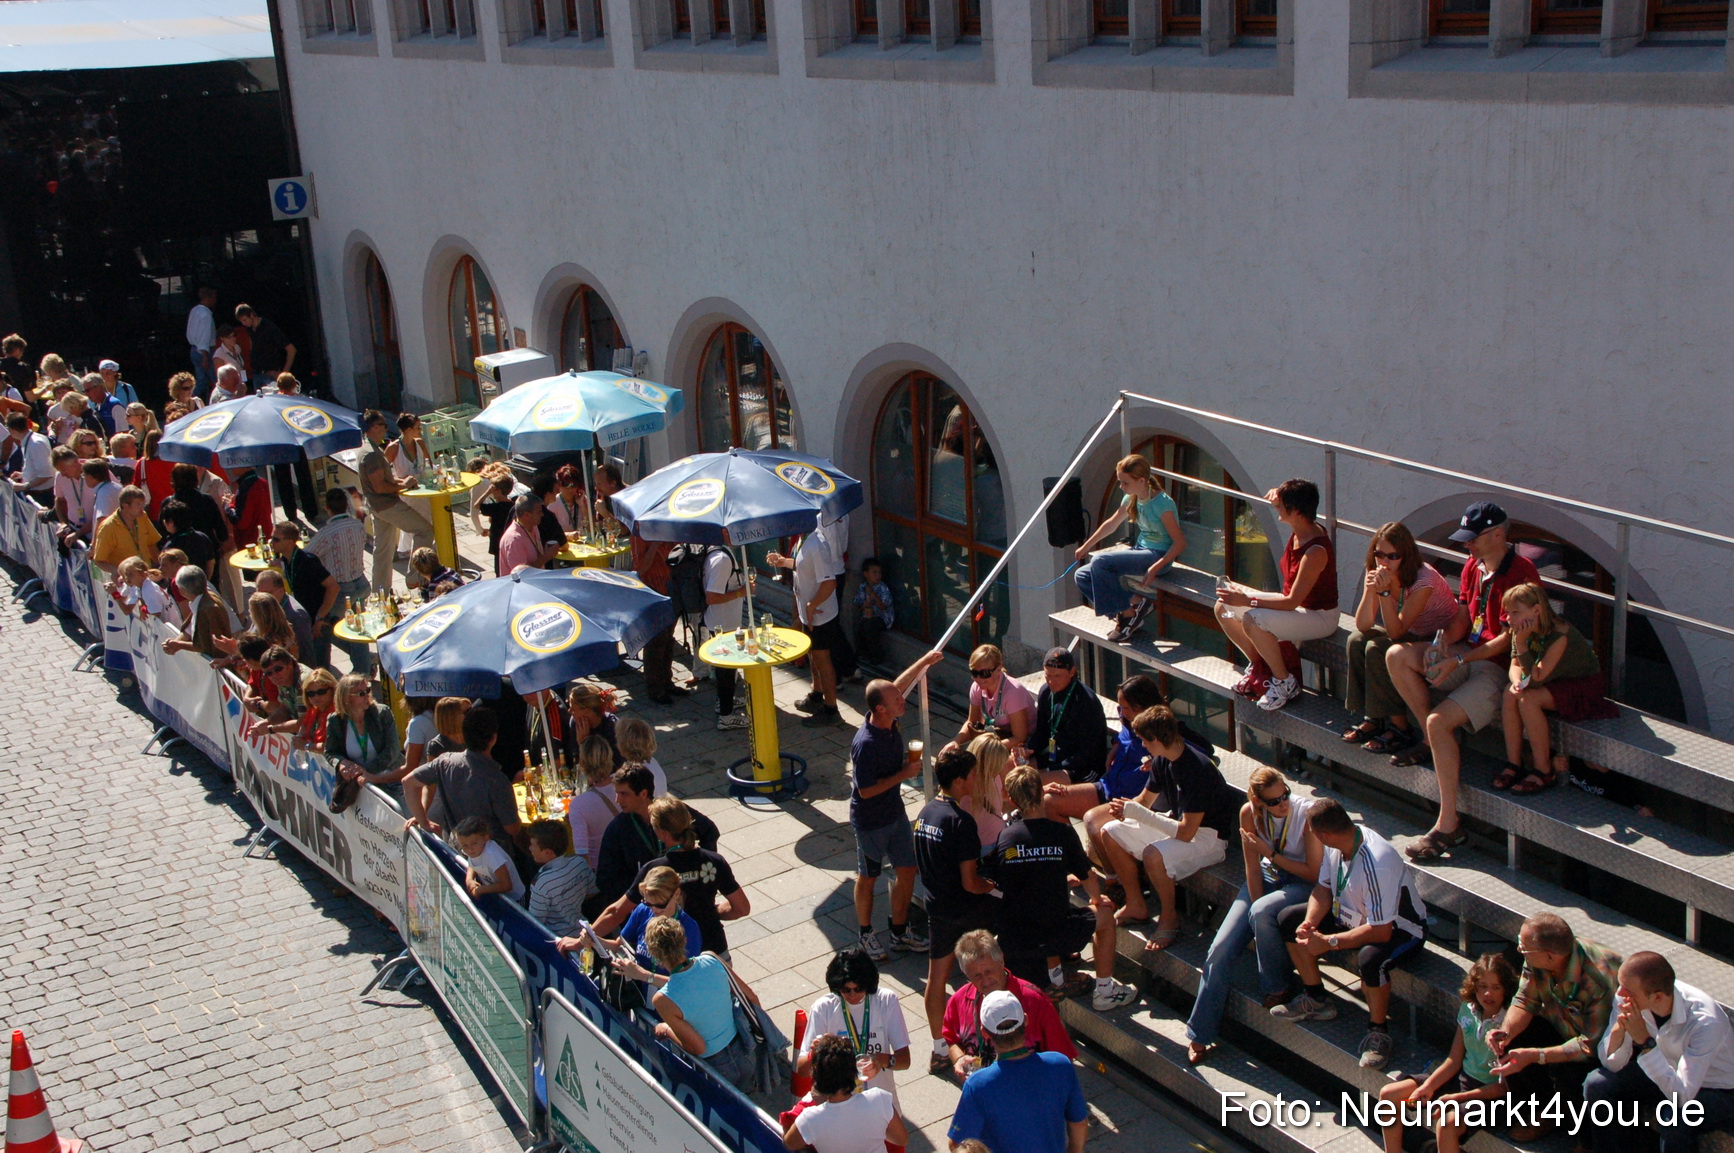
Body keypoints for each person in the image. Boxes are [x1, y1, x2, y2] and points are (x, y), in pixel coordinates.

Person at [1388, 502, 1541, 861]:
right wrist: (1441, 646)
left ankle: (1448, 824)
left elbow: (1508, 640)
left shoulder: (1522, 571)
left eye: (1473, 539)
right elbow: (1464, 614)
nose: (1466, 546)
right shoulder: (1474, 564)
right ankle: (1432, 741)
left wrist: (1456, 658)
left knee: (1439, 721)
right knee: (1397, 656)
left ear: (1498, 535)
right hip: (1467, 654)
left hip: (1499, 667)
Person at [1271, 799, 1427, 1072]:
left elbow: (1380, 931)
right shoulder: (1338, 844)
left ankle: (1379, 1033)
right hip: (1352, 915)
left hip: (1401, 929)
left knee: (1370, 960)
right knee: (1288, 919)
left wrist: (1329, 943)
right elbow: (1322, 889)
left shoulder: (1377, 862)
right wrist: (1309, 923)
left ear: (1324, 835)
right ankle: (1316, 998)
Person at [1184, 767, 1322, 1066]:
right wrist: (1256, 908)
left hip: (1301, 882)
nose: (1282, 804)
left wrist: (1270, 856)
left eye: (1285, 795)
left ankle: (1277, 986)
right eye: (1273, 801)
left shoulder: (1305, 815)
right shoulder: (1249, 813)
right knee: (1218, 950)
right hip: (1267, 877)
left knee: (1262, 912)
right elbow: (1252, 868)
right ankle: (1199, 1032)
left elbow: (1313, 872)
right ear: (1259, 801)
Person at [982, 766, 1141, 1012]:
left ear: (1013, 800)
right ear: (1041, 794)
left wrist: (1057, 879)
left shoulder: (1006, 838)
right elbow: (1087, 876)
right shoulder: (1062, 832)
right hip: (1055, 932)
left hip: (1016, 935)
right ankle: (1105, 992)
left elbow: (1010, 879)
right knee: (1105, 916)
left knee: (1040, 906)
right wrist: (1098, 900)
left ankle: (1054, 978)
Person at [1097, 705, 1242, 946]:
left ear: (1156, 739)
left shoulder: (1198, 770)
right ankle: (1136, 903)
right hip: (1179, 824)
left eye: (1144, 740)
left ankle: (1169, 918)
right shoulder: (1162, 761)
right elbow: (1144, 801)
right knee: (1109, 832)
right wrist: (1122, 810)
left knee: (1153, 854)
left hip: (1208, 838)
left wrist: (1137, 813)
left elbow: (1186, 833)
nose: (1142, 745)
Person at [1487, 912, 1620, 1140]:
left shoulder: (1598, 977)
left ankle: (1585, 1141)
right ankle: (1540, 1113)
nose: (1519, 950)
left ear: (1550, 956)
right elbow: (1524, 1000)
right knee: (1515, 1039)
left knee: (1577, 1073)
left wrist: (1537, 1055)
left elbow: (1590, 1045)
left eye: (1524, 947)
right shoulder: (1537, 959)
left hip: (1605, 1047)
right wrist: (1505, 1032)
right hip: (1566, 1027)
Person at [850, 652, 946, 962]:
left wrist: (924, 662)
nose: (903, 700)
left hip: (894, 814)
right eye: (896, 699)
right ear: (881, 708)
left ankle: (899, 931)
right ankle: (866, 934)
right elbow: (864, 791)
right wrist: (904, 775)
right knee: (869, 877)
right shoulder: (866, 744)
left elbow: (897, 685)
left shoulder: (888, 715)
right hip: (870, 821)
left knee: (907, 870)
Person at [1587, 951, 1734, 1153]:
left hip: (1715, 1088)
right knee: (1598, 1084)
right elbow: (1611, 1063)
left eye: (1628, 990)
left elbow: (1682, 1097)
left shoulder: (1706, 1022)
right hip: (1665, 1070)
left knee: (1676, 1119)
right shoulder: (1627, 997)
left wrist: (1645, 1043)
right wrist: (1618, 1031)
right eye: (1620, 985)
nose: (1620, 994)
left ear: (1657, 997)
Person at [1215, 478, 1339, 712]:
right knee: (1223, 607)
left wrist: (1248, 601)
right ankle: (1259, 666)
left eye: (1281, 505)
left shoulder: (1315, 551)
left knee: (1252, 618)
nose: (1276, 508)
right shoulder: (1300, 528)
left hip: (1319, 616)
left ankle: (1284, 682)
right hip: (1297, 605)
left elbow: (1291, 601)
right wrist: (1278, 492)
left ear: (1296, 511)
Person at [914, 749, 1002, 1073]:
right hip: (966, 913)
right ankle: (987, 1042)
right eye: (974, 775)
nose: (977, 780)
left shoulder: (925, 814)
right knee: (985, 971)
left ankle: (939, 1048)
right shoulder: (961, 821)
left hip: (936, 908)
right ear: (961, 779)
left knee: (936, 979)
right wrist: (990, 885)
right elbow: (970, 882)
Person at [1341, 522, 1461, 756]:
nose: (1384, 562)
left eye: (1392, 556)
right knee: (1356, 640)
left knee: (1377, 648)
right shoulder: (1376, 570)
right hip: (1410, 632)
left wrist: (1384, 593)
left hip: (1436, 638)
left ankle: (1400, 727)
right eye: (1379, 555)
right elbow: (1363, 624)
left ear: (1406, 556)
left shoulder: (1423, 580)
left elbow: (1396, 632)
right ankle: (1373, 717)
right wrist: (1371, 589)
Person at [1376, 953, 1517, 1153]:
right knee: (1388, 1094)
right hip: (1461, 1079)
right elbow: (1454, 1059)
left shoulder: (1508, 1025)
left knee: (1446, 1123)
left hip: (1488, 1095)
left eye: (1496, 987)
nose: (1488, 994)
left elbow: (1502, 1089)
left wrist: (1455, 1098)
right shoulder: (1468, 1010)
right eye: (1483, 987)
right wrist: (1428, 1087)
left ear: (1506, 990)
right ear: (1474, 986)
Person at [1497, 582, 1618, 794]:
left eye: (1516, 612)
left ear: (1536, 610)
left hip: (1581, 685)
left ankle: (1543, 769)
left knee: (1528, 699)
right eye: (1508, 612)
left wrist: (1523, 644)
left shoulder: (1559, 635)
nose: (1509, 618)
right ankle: (1514, 763)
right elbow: (1515, 665)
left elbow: (1536, 679)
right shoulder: (1521, 631)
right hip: (1551, 681)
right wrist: (1516, 682)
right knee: (1510, 694)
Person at [593, 796, 748, 957]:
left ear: (661, 832)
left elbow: (617, 912)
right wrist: (712, 912)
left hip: (673, 959)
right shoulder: (714, 861)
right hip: (715, 953)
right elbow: (742, 908)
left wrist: (584, 938)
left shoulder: (655, 870)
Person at [947, 990, 1088, 1153]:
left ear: (985, 1032)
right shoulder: (1059, 1064)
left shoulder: (977, 1085)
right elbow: (1079, 1123)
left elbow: (957, 1144)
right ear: (1026, 1020)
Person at [1073, 453, 1187, 643]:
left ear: (1141, 480)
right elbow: (1112, 523)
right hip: (1141, 551)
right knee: (1082, 575)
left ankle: (1127, 614)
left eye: (1125, 483)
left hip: (1159, 556)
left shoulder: (1162, 504)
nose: (1121, 487)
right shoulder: (1130, 498)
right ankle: (1134, 604)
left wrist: (1156, 567)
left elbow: (1180, 542)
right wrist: (1086, 546)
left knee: (1100, 562)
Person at [942, 931, 1078, 1082]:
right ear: (966, 974)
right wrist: (959, 1058)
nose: (986, 981)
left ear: (1001, 961)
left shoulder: (1034, 1000)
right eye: (977, 976)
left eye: (989, 971)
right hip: (985, 1095)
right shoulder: (959, 1000)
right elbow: (951, 1038)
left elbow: (1062, 1059)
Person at [797, 950, 913, 1109]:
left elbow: (904, 1061)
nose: (852, 995)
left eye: (858, 989)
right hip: (838, 1108)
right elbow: (802, 1070)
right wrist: (815, 1053)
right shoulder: (823, 1008)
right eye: (846, 990)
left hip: (879, 1105)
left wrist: (881, 1060)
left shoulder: (886, 1001)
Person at [407, 705, 521, 850]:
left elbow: (408, 783)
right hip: (493, 861)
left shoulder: (444, 762)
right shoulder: (497, 780)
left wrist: (423, 821)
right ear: (494, 738)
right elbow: (512, 829)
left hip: (458, 851)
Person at [770, 528, 847, 726]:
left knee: (822, 659)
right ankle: (816, 695)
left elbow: (830, 582)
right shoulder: (803, 539)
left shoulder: (817, 544)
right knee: (813, 655)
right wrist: (783, 561)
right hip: (809, 614)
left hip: (820, 615)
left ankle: (831, 710)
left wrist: (812, 605)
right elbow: (802, 565)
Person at [787, 1034, 907, 1153]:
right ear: (854, 1070)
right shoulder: (879, 1099)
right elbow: (902, 1139)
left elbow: (790, 1143)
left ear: (816, 1075)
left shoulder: (809, 1119)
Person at [358, 410, 433, 592]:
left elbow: (386, 480)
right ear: (374, 427)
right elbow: (380, 486)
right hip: (387, 505)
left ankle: (380, 594)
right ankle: (414, 577)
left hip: (377, 506)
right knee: (425, 530)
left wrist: (402, 481)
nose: (387, 429)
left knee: (382, 551)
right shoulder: (372, 454)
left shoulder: (369, 449)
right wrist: (402, 486)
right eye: (384, 425)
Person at [591, 764, 662, 917]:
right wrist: (637, 893)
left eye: (624, 794)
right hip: (641, 910)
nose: (617, 800)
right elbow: (605, 879)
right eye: (617, 793)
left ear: (643, 794)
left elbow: (709, 831)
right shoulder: (617, 829)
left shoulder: (670, 814)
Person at [1030, 647, 1106, 785]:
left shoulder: (1086, 702)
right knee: (1012, 769)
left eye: (1057, 676)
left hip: (1081, 766)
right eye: (1048, 675)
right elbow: (1041, 733)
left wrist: (1051, 770)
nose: (1051, 681)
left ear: (1072, 672)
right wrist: (1027, 750)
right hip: (1055, 756)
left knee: (1031, 784)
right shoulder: (1046, 692)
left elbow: (1087, 753)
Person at [268, 521, 340, 666]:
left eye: (276, 539)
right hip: (301, 623)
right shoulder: (285, 560)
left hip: (315, 624)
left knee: (320, 668)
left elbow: (333, 587)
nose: (271, 542)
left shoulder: (308, 561)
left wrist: (320, 617)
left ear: (289, 542)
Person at [630, 515, 682, 704]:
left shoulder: (668, 526)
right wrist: (655, 545)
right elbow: (640, 568)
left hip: (672, 587)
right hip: (653, 591)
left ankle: (667, 682)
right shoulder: (638, 532)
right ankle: (655, 688)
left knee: (668, 639)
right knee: (656, 641)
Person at [947, 644, 1036, 756]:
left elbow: (1020, 737)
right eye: (974, 673)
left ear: (998, 669)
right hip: (999, 736)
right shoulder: (977, 687)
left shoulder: (1013, 692)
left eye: (984, 674)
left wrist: (986, 749)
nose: (978, 679)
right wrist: (956, 741)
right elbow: (972, 722)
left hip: (1025, 743)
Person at [703, 545, 752, 730]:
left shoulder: (723, 554)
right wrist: (742, 591)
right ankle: (726, 716)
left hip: (725, 622)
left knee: (726, 670)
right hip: (722, 625)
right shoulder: (722, 560)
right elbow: (712, 597)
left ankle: (724, 701)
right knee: (725, 671)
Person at [525, 819, 594, 934]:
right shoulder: (580, 863)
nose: (530, 848)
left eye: (533, 845)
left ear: (547, 852)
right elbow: (592, 892)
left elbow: (536, 921)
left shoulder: (541, 882)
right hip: (584, 933)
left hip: (558, 941)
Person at [162, 567, 233, 658]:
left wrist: (179, 645)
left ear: (183, 591)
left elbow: (207, 646)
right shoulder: (202, 600)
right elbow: (189, 629)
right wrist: (174, 643)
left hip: (218, 663)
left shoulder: (207, 609)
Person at [455, 815, 526, 903]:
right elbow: (472, 863)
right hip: (496, 894)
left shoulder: (492, 855)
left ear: (486, 838)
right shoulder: (475, 850)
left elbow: (506, 885)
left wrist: (480, 890)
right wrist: (469, 879)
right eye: (464, 845)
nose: (469, 849)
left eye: (474, 843)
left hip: (514, 899)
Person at [90, 485, 159, 574]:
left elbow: (151, 544)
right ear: (125, 505)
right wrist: (118, 573)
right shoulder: (108, 527)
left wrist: (161, 566)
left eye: (143, 504)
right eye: (138, 504)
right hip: (126, 581)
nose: (142, 508)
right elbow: (99, 560)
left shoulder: (142, 516)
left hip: (146, 576)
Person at [852, 556, 894, 669]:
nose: (878, 576)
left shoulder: (882, 588)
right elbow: (858, 603)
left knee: (870, 627)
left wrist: (873, 595)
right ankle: (863, 653)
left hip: (883, 617)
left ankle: (877, 656)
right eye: (874, 573)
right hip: (868, 615)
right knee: (861, 626)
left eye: (879, 573)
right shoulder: (863, 587)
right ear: (866, 574)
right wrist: (864, 606)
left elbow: (883, 606)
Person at [3, 411, 54, 504]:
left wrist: (24, 486)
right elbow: (38, 468)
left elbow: (46, 474)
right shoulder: (29, 440)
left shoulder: (36, 444)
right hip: (38, 493)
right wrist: (23, 474)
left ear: (12, 430)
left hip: (43, 496)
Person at [235, 303, 295, 379]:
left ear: (251, 315)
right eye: (241, 321)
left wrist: (283, 374)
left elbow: (291, 349)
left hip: (270, 375)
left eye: (244, 320)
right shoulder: (249, 328)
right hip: (256, 374)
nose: (243, 323)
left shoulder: (269, 328)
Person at [498, 493, 552, 574]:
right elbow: (522, 575)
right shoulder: (514, 540)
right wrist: (546, 557)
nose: (542, 514)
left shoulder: (533, 526)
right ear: (527, 515)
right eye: (539, 512)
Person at [293, 668, 337, 749]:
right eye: (311, 693)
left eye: (321, 692)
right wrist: (299, 737)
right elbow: (304, 725)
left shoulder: (337, 713)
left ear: (332, 690)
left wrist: (306, 746)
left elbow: (333, 747)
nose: (316, 697)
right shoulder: (314, 709)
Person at [186, 286, 217, 394]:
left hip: (194, 349)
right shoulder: (206, 315)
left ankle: (192, 403)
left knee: (200, 381)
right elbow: (204, 335)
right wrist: (205, 356)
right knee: (216, 381)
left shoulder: (195, 310)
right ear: (209, 298)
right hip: (204, 352)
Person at [423, 696, 470, 761]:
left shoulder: (475, 739)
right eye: (467, 712)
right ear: (451, 717)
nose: (472, 714)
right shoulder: (437, 745)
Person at [388, 412, 431, 482]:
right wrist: (402, 481)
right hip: (405, 489)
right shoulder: (393, 448)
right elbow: (384, 473)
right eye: (418, 428)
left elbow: (430, 465)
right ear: (409, 430)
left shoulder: (420, 443)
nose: (421, 430)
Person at [549, 464, 589, 536]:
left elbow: (591, 528)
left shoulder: (583, 499)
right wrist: (568, 535)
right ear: (559, 485)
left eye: (574, 485)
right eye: (566, 485)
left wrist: (582, 506)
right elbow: (550, 533)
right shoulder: (553, 502)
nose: (570, 489)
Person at [212, 326, 247, 393]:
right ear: (222, 338)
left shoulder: (237, 348)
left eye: (234, 336)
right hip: (230, 388)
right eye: (229, 337)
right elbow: (220, 377)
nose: (233, 339)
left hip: (241, 384)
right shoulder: (219, 354)